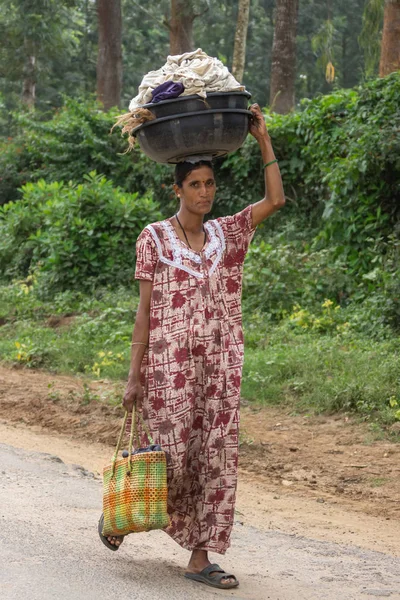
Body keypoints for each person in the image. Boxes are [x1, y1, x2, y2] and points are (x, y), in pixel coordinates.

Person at [103, 104, 285, 589]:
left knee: (215, 456)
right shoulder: (155, 238)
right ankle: (123, 513)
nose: (205, 193)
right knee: (171, 456)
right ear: (177, 189)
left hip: (221, 365)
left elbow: (275, 200)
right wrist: (133, 372)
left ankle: (200, 558)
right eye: (196, 185)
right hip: (169, 367)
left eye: (210, 184)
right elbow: (144, 312)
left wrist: (263, 139)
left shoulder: (228, 234)